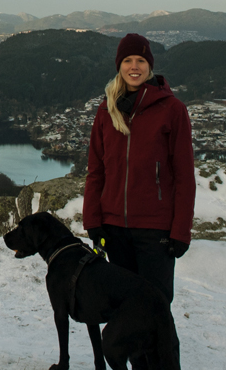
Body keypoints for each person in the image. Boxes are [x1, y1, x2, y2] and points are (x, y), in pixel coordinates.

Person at [82, 33, 194, 306]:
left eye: (141, 60)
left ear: (150, 66)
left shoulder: (173, 110)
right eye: (128, 60)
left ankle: (159, 352)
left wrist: (180, 232)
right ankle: (128, 351)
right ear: (119, 65)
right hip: (114, 228)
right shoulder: (106, 111)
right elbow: (96, 171)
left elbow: (184, 177)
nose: (135, 67)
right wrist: (93, 222)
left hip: (155, 230)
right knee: (122, 306)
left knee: (155, 307)